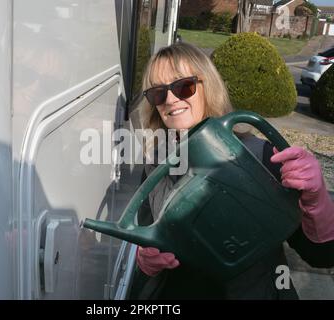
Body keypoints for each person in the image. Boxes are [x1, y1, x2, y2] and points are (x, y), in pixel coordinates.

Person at [131, 41, 334, 299]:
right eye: (158, 93)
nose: (171, 100)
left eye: (184, 86)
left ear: (208, 87)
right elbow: (148, 237)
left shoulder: (259, 156)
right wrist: (146, 261)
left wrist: (316, 201)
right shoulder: (154, 165)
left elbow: (322, 255)